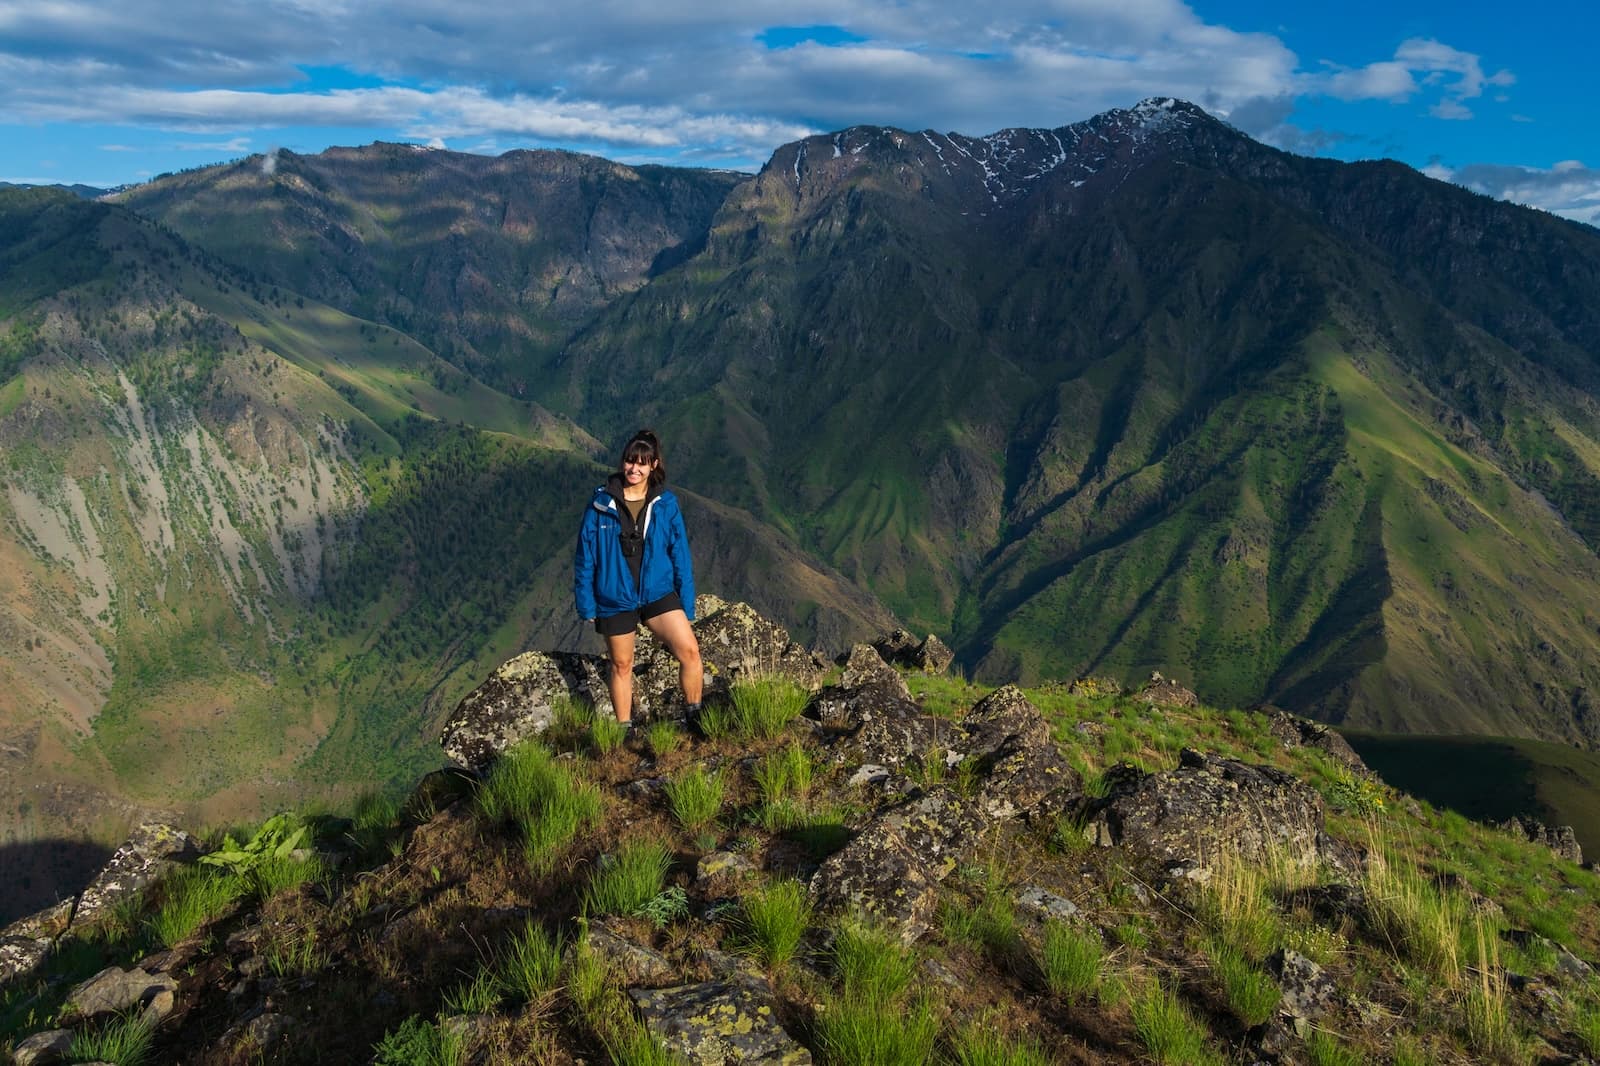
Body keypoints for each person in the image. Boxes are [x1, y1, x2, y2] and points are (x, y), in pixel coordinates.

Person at [573, 429, 703, 730]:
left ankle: (694, 716)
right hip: (615, 596)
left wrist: (686, 603)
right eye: (630, 462)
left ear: (654, 466)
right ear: (623, 463)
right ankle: (624, 731)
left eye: (643, 463)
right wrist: (586, 604)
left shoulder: (665, 503)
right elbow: (585, 557)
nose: (635, 468)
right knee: (621, 665)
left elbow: (680, 553)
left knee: (690, 651)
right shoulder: (600, 504)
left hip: (657, 592)